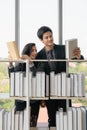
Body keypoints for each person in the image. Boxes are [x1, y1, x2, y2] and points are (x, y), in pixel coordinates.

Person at [35, 26, 84, 127]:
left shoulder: (63, 49)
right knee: (52, 119)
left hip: (65, 89)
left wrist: (79, 56)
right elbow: (37, 76)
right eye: (46, 37)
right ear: (41, 40)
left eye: (51, 36)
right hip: (49, 91)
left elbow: (78, 59)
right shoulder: (39, 55)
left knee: (67, 117)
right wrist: (42, 98)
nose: (50, 39)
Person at [8, 43, 41, 126]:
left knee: (32, 124)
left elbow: (36, 77)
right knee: (19, 124)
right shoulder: (20, 63)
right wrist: (10, 64)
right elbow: (13, 78)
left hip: (34, 100)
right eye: (32, 50)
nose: (35, 52)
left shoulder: (38, 63)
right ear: (27, 52)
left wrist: (30, 63)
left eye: (36, 50)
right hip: (20, 100)